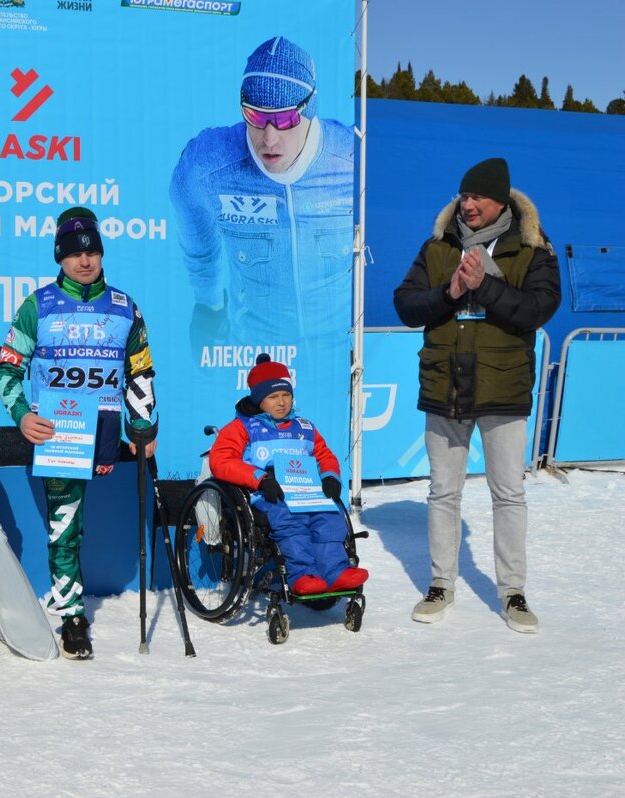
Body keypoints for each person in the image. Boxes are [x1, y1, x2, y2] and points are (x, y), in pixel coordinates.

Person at [393, 157, 560, 634]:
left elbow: (538, 308)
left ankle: (513, 592)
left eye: (477, 197)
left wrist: (484, 285)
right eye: (463, 196)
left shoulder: (533, 248)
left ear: (500, 201)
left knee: (508, 494)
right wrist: (447, 293)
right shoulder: (437, 246)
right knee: (443, 492)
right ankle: (441, 583)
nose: (466, 205)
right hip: (446, 386)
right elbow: (405, 304)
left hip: (502, 387)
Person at [0, 206, 158, 660]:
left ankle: (68, 601)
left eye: (93, 252)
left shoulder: (125, 307)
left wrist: (143, 427)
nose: (85, 261)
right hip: (57, 433)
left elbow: (139, 372)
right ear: (60, 258)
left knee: (80, 524)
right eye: (74, 254)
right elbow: (8, 368)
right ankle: (71, 616)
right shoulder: (38, 305)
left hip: (103, 431)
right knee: (64, 526)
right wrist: (23, 415)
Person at [169, 35, 353, 346]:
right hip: (256, 353)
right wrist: (209, 305)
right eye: (255, 117)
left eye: (284, 119)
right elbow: (192, 225)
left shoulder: (351, 159)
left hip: (337, 351)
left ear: (309, 108)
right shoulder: (210, 165)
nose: (268, 138)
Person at [208, 354, 367, 595]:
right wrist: (259, 479)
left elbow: (325, 455)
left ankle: (336, 571)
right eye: (273, 397)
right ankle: (303, 575)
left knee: (329, 516)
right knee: (291, 519)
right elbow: (221, 460)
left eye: (286, 395)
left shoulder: (304, 427)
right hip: (267, 493)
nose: (281, 402)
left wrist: (330, 477)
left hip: (306, 490)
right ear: (258, 399)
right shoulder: (241, 427)